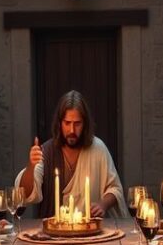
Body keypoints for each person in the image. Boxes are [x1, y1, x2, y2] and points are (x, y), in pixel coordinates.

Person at [17, 90, 128, 218]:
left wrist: (102, 204)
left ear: (85, 124)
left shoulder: (98, 149)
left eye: (77, 124)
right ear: (59, 123)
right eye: (67, 123)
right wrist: (31, 166)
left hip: (89, 231)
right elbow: (26, 194)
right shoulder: (47, 152)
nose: (72, 130)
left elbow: (115, 189)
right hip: (55, 233)